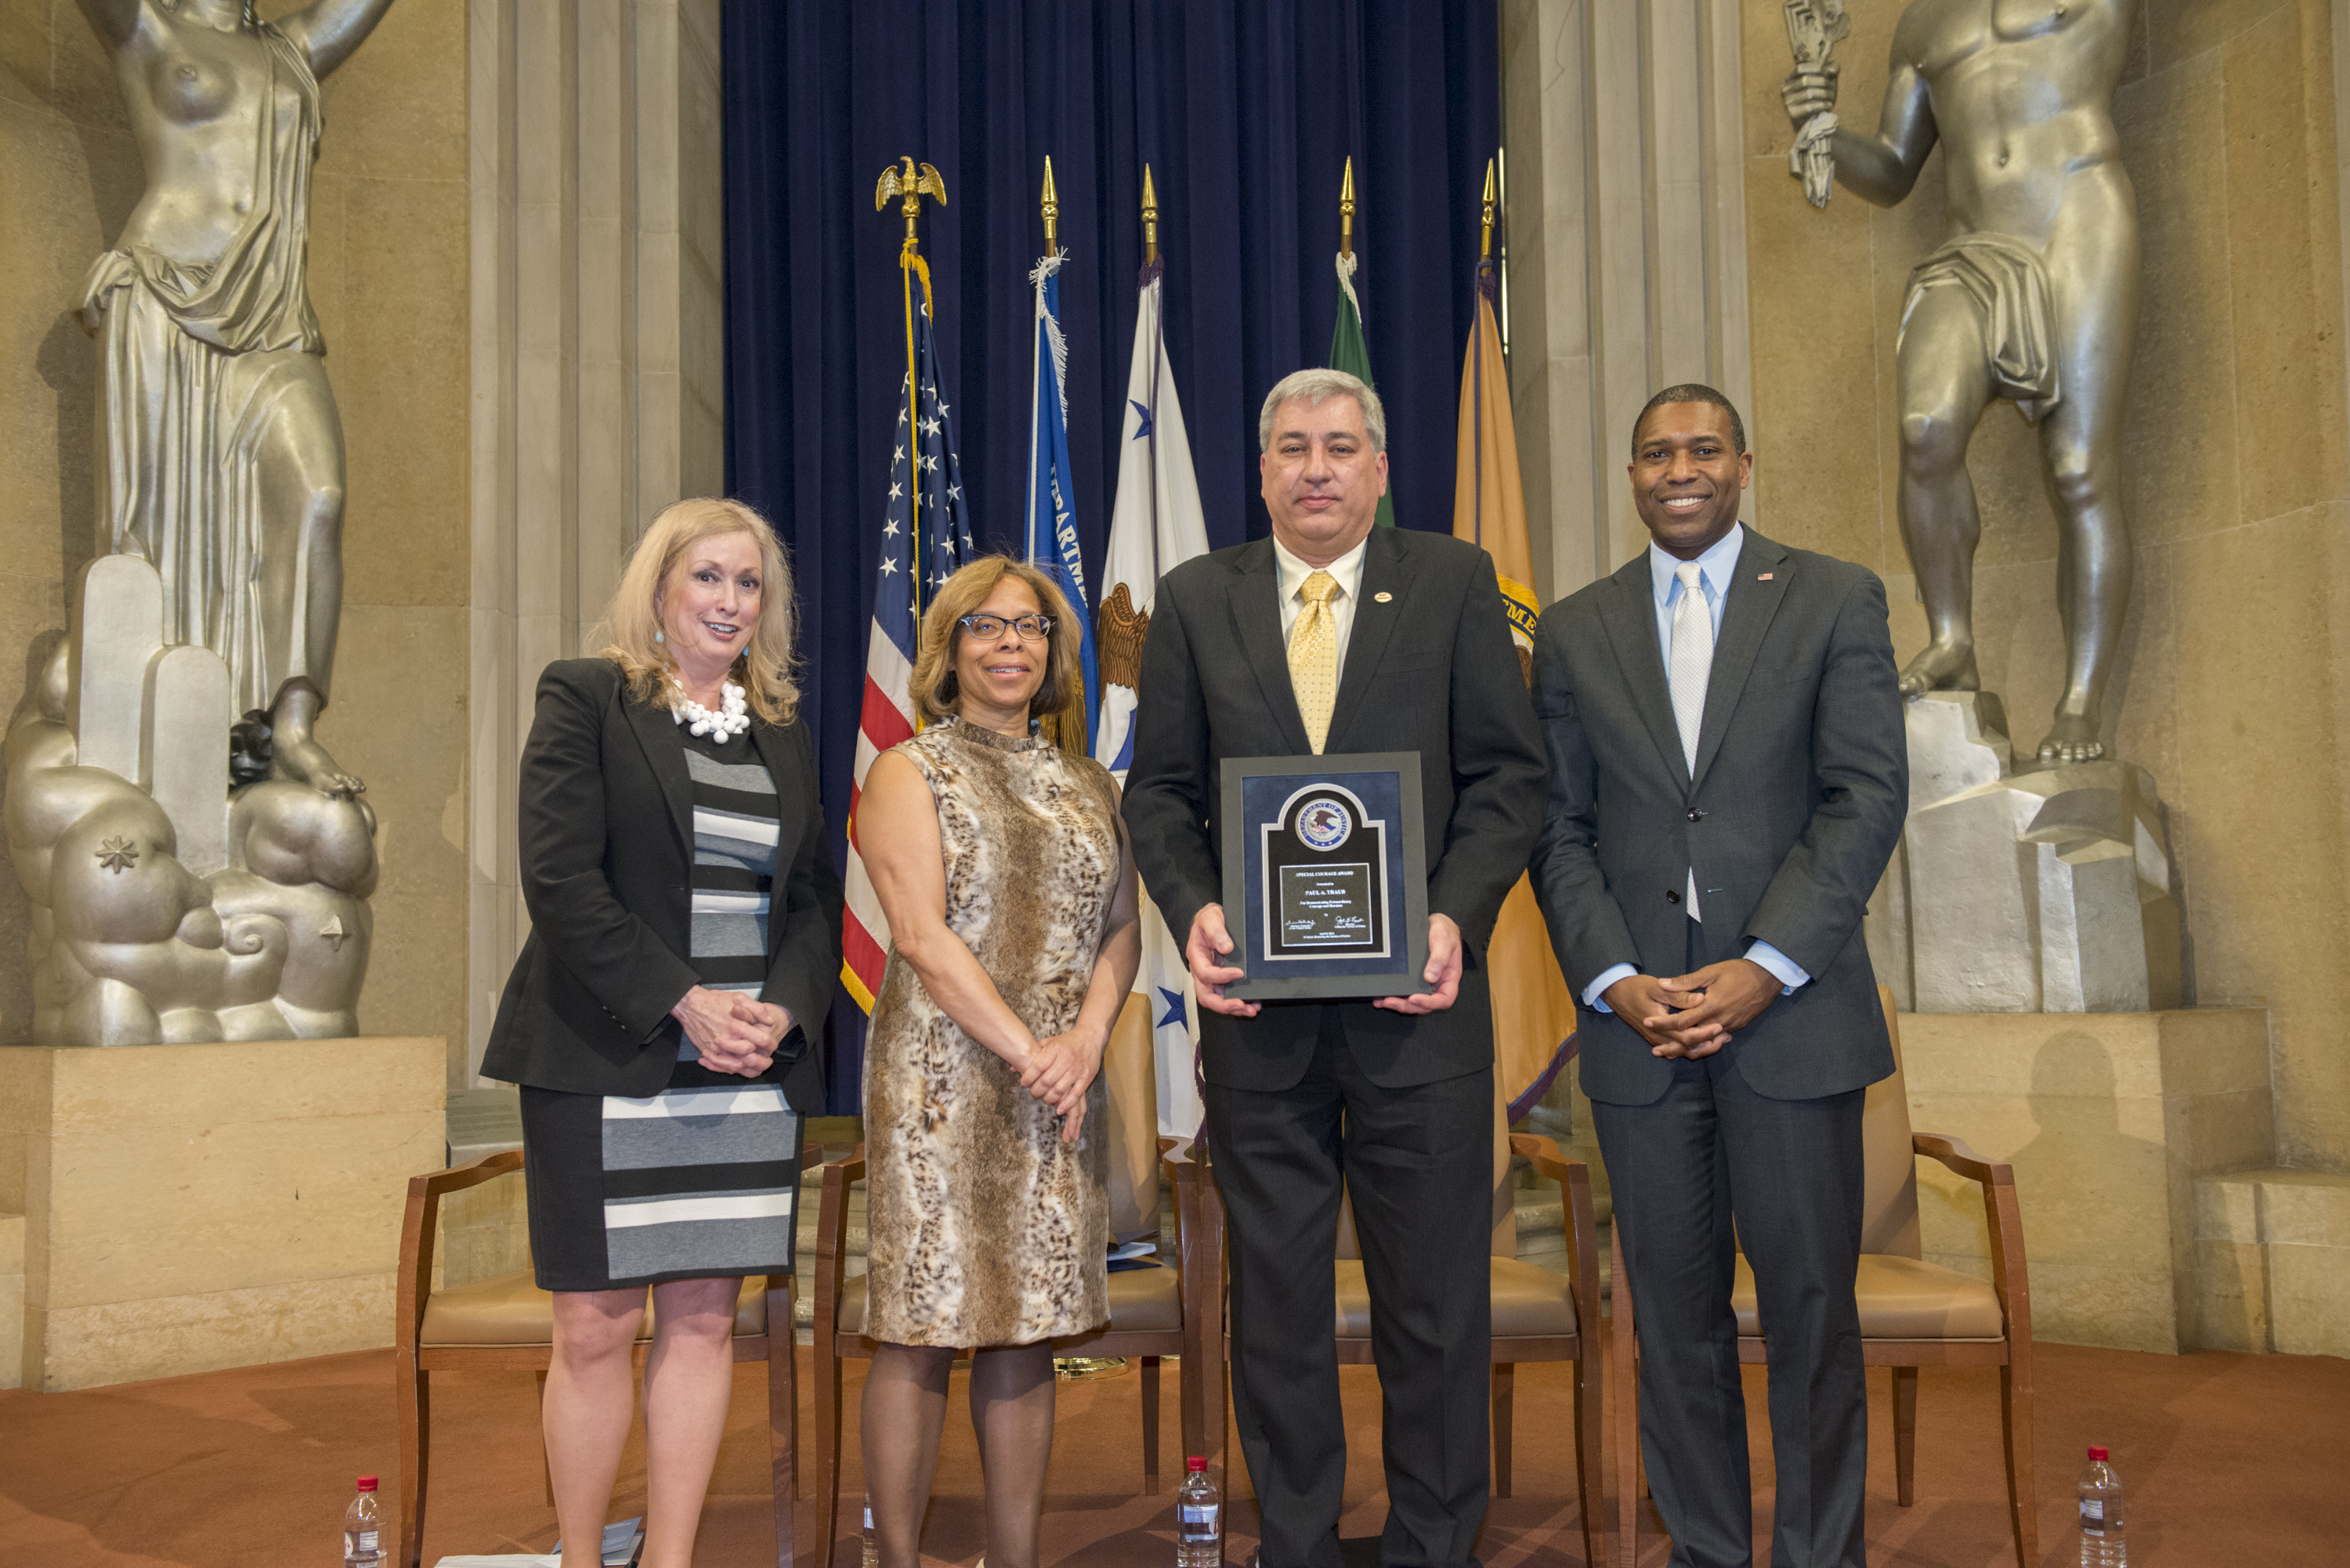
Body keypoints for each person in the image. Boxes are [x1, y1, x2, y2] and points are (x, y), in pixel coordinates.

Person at [1123, 367, 1545, 1568]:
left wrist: (1456, 915)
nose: (1316, 466)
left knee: (1435, 1310)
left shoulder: (1457, 581)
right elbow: (1160, 790)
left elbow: (1511, 778)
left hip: (1424, 1017)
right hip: (1260, 1023)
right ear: (1261, 471)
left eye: (1340, 445)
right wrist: (1197, 906)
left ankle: (1433, 1542)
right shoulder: (1199, 598)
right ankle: (1295, 1542)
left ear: (1379, 468)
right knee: (1282, 1312)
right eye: (1293, 447)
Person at [1528, 385, 1907, 1568]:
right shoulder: (1578, 628)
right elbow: (1558, 824)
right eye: (1654, 453)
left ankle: (1816, 1553)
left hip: (1791, 1023)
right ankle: (1703, 1549)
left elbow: (1863, 798)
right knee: (1674, 1324)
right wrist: (1612, 976)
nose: (1677, 469)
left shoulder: (1834, 596)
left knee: (1807, 1315)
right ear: (1631, 474)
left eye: (1701, 449)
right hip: (1639, 1032)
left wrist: (1763, 965)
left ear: (1746, 463)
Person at [480, 497, 844, 1568]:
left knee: (700, 1319)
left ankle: (670, 1557)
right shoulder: (586, 696)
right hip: (608, 1055)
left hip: (741, 1069)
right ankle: (584, 1556)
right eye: (710, 577)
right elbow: (559, 879)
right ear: (659, 587)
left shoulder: (778, 727)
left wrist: (780, 1008)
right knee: (594, 1324)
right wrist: (683, 1001)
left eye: (749, 584)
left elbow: (814, 897)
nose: (731, 601)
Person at [853, 556, 1141, 1568]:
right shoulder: (907, 768)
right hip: (939, 1079)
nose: (1011, 642)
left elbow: (1121, 932)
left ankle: (1013, 1557)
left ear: (1055, 652)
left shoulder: (1089, 781)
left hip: (1056, 1081)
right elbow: (922, 937)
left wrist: (1086, 1042)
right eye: (986, 625)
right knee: (924, 1319)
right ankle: (898, 1557)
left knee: (1029, 1320)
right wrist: (1034, 1053)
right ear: (950, 648)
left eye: (1030, 627)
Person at [1781, 0, 2138, 764]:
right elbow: (1894, 166)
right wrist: (1827, 136)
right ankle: (1952, 641)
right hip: (1973, 243)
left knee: (2078, 470)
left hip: (2077, 219)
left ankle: (2079, 702)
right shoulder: (1925, 22)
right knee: (1926, 428)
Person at [74, 0, 403, 796]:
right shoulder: (144, 29)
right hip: (161, 299)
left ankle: (291, 725)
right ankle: (155, 729)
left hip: (273, 320)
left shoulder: (291, 48)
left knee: (318, 495)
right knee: (146, 538)